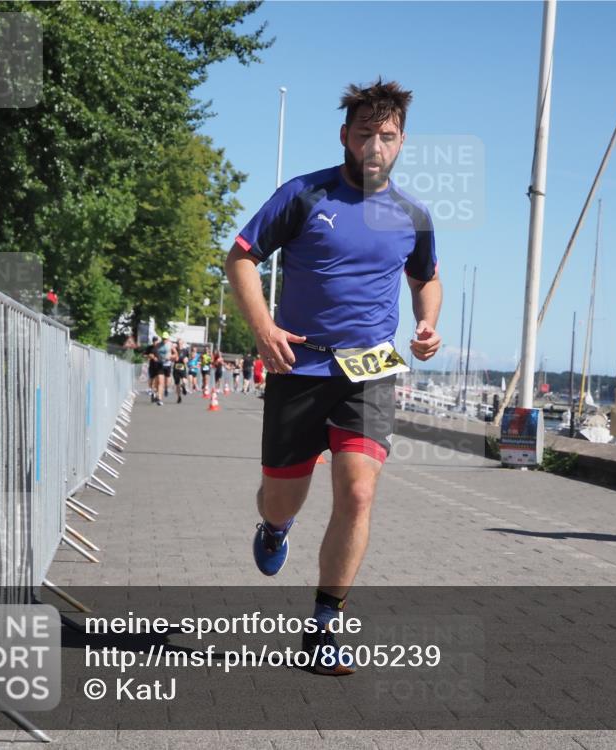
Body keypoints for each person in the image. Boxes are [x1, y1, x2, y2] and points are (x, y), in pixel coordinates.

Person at [225, 78, 441, 675]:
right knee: (280, 495)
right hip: (300, 363)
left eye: (388, 135)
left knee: (359, 491)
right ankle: (275, 526)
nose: (376, 144)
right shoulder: (302, 194)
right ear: (346, 136)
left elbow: (426, 278)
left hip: (369, 369)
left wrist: (426, 323)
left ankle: (324, 626)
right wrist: (264, 328)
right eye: (366, 133)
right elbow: (240, 255)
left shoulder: (412, 216)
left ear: (401, 142)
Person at [154, 332, 174, 406]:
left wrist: (171, 357)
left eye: (165, 339)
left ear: (168, 339)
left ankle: (166, 388)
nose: (164, 340)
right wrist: (155, 357)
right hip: (160, 365)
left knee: (167, 383)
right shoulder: (158, 345)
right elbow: (153, 353)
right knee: (160, 382)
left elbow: (176, 354)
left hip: (167, 365)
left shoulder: (170, 345)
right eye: (163, 338)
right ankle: (159, 399)